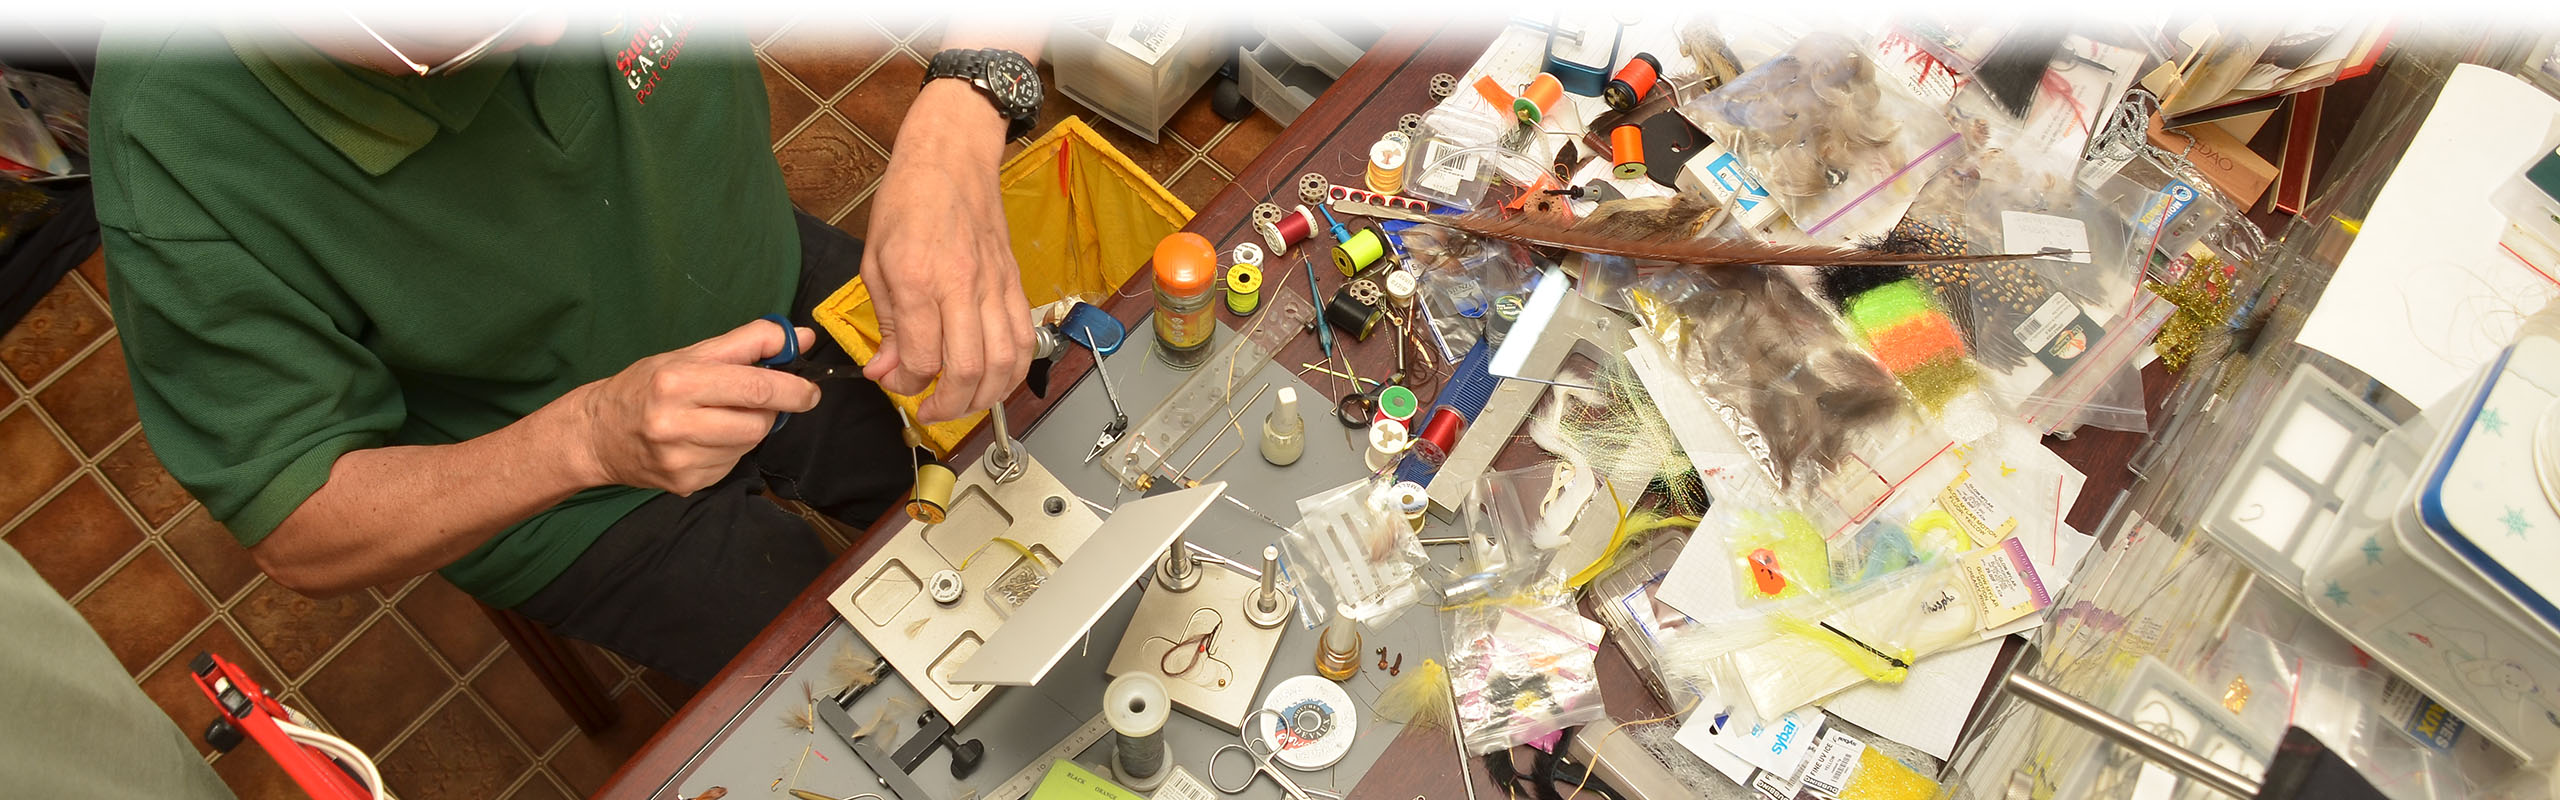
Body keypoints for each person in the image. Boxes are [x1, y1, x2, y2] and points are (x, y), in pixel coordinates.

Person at [90, 13, 1043, 683]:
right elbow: (298, 524)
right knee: (878, 691)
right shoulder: (173, 147)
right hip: (553, 486)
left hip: (764, 278)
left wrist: (961, 117)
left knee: (1036, 499)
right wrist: (585, 440)